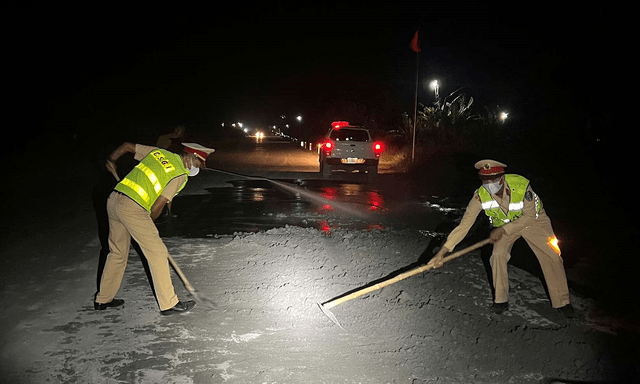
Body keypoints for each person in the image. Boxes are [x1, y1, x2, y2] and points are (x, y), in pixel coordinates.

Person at [429, 159, 575, 318]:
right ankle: (501, 301)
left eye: (493, 180)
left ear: (502, 178)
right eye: (485, 180)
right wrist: (442, 252)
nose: (489, 184)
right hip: (504, 227)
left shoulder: (521, 186)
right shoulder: (480, 196)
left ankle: (562, 302)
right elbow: (464, 226)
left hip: (533, 222)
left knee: (552, 256)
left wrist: (503, 229)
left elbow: (529, 217)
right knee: (497, 255)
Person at [95, 142, 214, 315]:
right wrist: (146, 223)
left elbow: (128, 146)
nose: (198, 169)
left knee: (117, 252)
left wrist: (112, 159)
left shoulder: (160, 153)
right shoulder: (179, 175)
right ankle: (169, 304)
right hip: (133, 208)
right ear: (189, 157)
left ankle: (103, 299)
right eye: (198, 164)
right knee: (158, 253)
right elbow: (157, 207)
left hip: (114, 200)